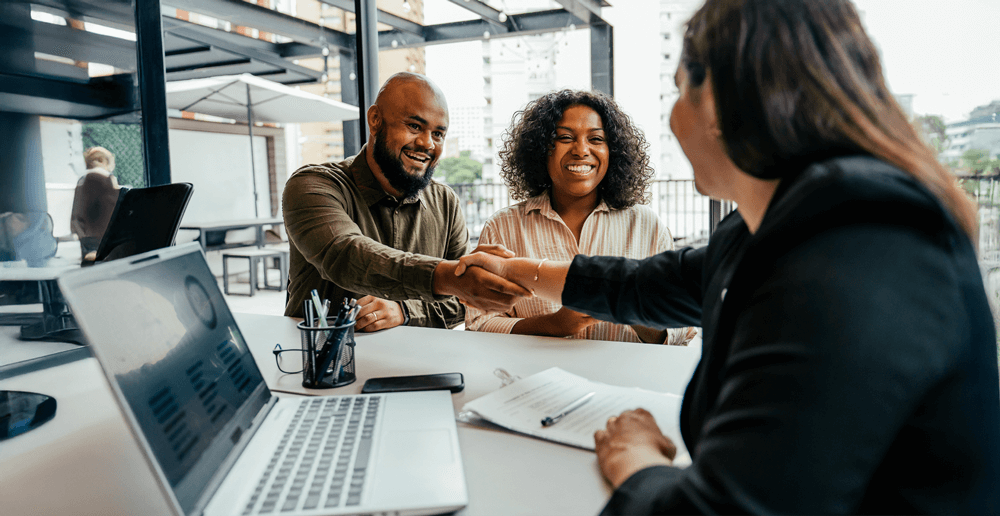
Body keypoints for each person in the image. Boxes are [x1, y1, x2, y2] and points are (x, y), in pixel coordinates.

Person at [454, 0, 1000, 513]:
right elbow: (648, 284)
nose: (672, 118)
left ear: (715, 102)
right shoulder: (773, 222)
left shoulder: (856, 251)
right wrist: (514, 270)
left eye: (677, 91)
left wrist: (634, 458)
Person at [282, 72, 529, 331]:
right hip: (325, 353)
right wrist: (449, 277)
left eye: (438, 134)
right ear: (375, 120)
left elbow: (465, 302)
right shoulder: (313, 185)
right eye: (414, 126)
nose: (426, 143)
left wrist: (406, 311)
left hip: (419, 356)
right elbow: (346, 256)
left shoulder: (446, 202)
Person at [466, 89, 694, 345]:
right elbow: (479, 323)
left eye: (596, 139)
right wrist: (553, 325)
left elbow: (681, 329)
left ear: (613, 151)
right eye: (565, 137)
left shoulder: (647, 226)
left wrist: (627, 303)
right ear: (541, 149)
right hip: (533, 371)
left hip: (625, 371)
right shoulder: (502, 227)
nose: (581, 150)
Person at [70, 146, 120, 259]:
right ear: (103, 161)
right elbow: (115, 206)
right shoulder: (108, 179)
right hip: (103, 234)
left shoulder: (82, 180)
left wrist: (76, 229)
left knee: (89, 259)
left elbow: (76, 209)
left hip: (85, 234)